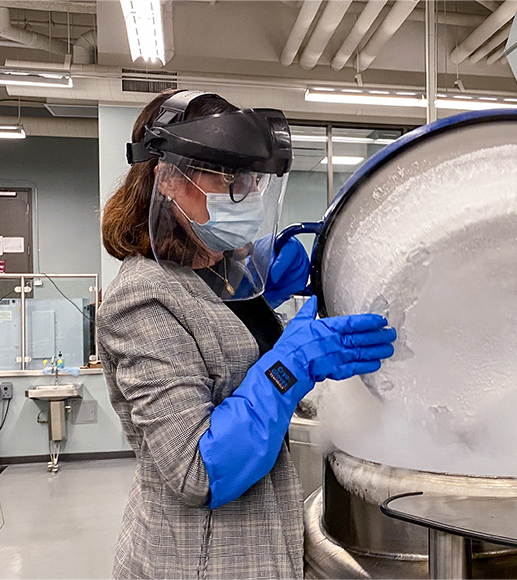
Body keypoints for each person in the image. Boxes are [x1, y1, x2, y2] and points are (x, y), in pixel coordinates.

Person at [97, 89, 396, 579]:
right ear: (169, 179)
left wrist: (276, 274)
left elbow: (225, 324)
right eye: (230, 178)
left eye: (254, 179)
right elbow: (198, 470)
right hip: (197, 562)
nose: (250, 193)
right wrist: (289, 365)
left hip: (261, 546)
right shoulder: (142, 300)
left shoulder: (213, 272)